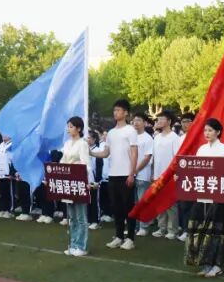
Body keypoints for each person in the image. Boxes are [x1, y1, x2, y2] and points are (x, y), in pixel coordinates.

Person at [185, 118, 224, 277]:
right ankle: (205, 263)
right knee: (202, 229)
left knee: (217, 231)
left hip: (218, 195)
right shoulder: (202, 149)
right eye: (205, 130)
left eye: (210, 130)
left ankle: (217, 264)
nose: (207, 133)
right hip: (202, 195)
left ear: (218, 132)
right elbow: (195, 170)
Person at [90, 99, 139, 250]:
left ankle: (130, 238)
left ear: (126, 113)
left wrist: (131, 173)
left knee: (128, 207)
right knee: (117, 208)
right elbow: (106, 153)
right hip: (113, 175)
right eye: (114, 110)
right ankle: (118, 236)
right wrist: (90, 152)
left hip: (126, 174)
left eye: (118, 110)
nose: (115, 113)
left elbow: (134, 153)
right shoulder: (111, 132)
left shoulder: (130, 130)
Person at [61, 116, 92, 256]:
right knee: (72, 216)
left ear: (79, 128)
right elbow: (63, 160)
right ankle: (73, 244)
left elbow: (86, 164)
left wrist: (85, 180)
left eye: (71, 126)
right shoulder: (67, 143)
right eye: (68, 126)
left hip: (79, 182)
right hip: (67, 182)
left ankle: (81, 246)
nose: (69, 129)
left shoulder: (83, 144)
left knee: (80, 216)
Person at [151, 110, 183, 240]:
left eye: (162, 119)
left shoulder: (174, 138)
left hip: (169, 175)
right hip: (158, 175)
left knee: (170, 204)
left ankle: (172, 229)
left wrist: (175, 173)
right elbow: (154, 157)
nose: (159, 121)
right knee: (159, 202)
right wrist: (153, 173)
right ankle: (161, 227)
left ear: (169, 121)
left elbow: (177, 158)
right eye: (158, 119)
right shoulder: (157, 137)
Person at [132, 113, 155, 236]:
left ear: (145, 123)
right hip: (131, 174)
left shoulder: (148, 138)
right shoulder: (131, 137)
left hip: (143, 174)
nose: (136, 122)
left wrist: (136, 170)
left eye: (139, 120)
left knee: (142, 202)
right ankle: (135, 226)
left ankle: (143, 227)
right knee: (134, 203)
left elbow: (147, 157)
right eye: (134, 120)